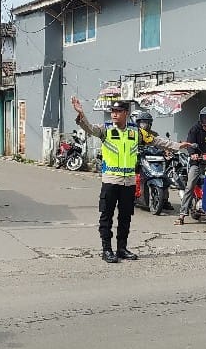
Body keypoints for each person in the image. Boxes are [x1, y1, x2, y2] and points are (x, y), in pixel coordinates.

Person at [72, 97, 188, 263]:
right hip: (111, 181)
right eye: (113, 111)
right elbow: (89, 128)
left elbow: (155, 140)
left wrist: (177, 146)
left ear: (126, 113)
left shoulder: (136, 132)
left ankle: (122, 248)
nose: (114, 114)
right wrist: (81, 114)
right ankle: (106, 250)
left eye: (118, 111)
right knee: (106, 216)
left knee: (125, 217)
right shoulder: (105, 129)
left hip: (129, 182)